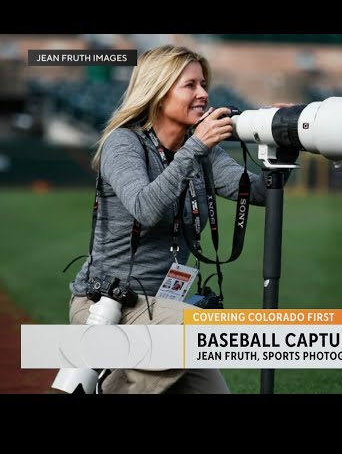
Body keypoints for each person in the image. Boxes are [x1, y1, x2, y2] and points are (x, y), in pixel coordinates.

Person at [66, 44, 297, 394]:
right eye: (190, 85)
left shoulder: (202, 150)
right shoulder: (124, 144)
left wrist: (284, 143)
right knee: (197, 333)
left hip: (164, 309)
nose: (203, 94)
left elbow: (259, 193)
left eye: (203, 84)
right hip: (108, 306)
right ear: (159, 92)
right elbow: (144, 208)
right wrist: (194, 150)